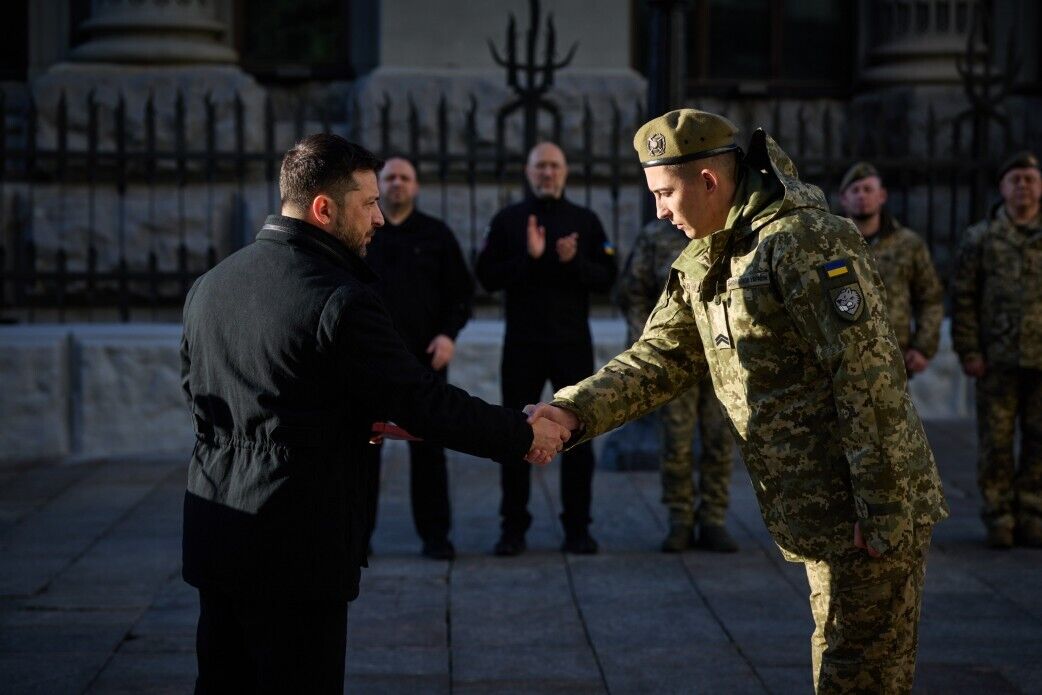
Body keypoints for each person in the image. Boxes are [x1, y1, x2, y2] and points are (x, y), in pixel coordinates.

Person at [524, 109, 948, 693]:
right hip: (821, 508)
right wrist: (572, 411)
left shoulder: (802, 240)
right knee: (839, 663)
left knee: (862, 677)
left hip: (865, 508)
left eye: (665, 193)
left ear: (709, 182)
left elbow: (866, 376)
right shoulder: (709, 253)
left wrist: (878, 510)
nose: (659, 211)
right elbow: (660, 356)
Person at [180, 134, 569, 693]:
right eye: (368, 203)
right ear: (323, 209)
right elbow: (423, 400)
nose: (380, 218)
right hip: (298, 543)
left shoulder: (210, 286)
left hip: (218, 532)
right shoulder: (337, 298)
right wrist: (521, 433)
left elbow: (203, 395)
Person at [475, 141, 618, 556]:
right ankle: (512, 528)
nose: (547, 174)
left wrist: (573, 262)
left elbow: (607, 277)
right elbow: (486, 276)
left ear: (565, 171)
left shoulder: (585, 220)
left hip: (571, 343)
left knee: (577, 434)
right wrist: (530, 257)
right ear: (528, 170)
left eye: (554, 166)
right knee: (514, 434)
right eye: (540, 167)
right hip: (522, 345)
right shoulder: (509, 220)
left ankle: (578, 528)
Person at [362, 156, 473, 561]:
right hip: (369, 364)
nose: (396, 184)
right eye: (389, 177)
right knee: (363, 454)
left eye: (404, 177)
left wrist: (448, 335)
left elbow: (461, 294)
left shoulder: (436, 235)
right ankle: (358, 539)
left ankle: (435, 537)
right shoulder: (363, 232)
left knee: (429, 451)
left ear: (416, 186)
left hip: (424, 364)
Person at [616, 217, 737, 553]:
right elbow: (634, 292)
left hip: (722, 357)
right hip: (674, 360)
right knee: (676, 442)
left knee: (719, 439)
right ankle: (680, 519)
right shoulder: (655, 236)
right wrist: (646, 342)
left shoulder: (724, 231)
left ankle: (713, 518)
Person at [951, 150, 1042, 549]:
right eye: (1015, 179)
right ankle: (999, 516)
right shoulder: (981, 237)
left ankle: (1033, 511)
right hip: (997, 360)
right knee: (996, 444)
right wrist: (969, 351)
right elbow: (964, 297)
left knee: (1039, 441)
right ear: (1002, 188)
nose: (1023, 186)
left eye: (1030, 179)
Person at [837, 162, 943, 376]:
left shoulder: (908, 244)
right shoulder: (829, 245)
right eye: (855, 190)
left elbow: (930, 297)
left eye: (868, 189)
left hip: (894, 359)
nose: (861, 196)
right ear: (844, 198)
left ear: (882, 196)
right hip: (841, 362)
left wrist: (923, 347)